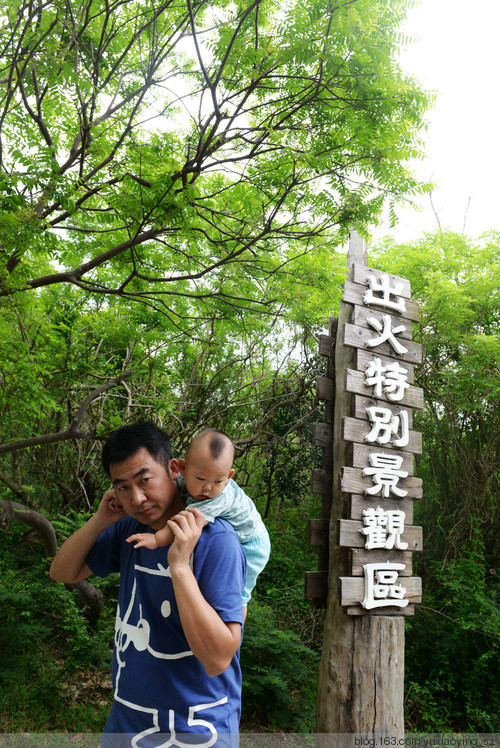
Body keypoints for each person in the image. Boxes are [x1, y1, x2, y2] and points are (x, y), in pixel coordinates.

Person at [50, 422, 246, 748]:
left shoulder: (215, 539)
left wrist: (180, 567)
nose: (137, 498)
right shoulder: (129, 528)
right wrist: (101, 520)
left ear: (173, 469)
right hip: (129, 723)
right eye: (123, 488)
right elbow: (63, 572)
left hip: (197, 730)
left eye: (145, 480)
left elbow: (217, 659)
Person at [127, 429, 271, 615]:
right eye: (201, 479)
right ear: (182, 469)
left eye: (218, 481)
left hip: (253, 542)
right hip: (252, 529)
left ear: (229, 477)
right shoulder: (188, 479)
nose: (208, 488)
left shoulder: (216, 499)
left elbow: (186, 523)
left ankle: (234, 633)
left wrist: (156, 540)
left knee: (240, 593)